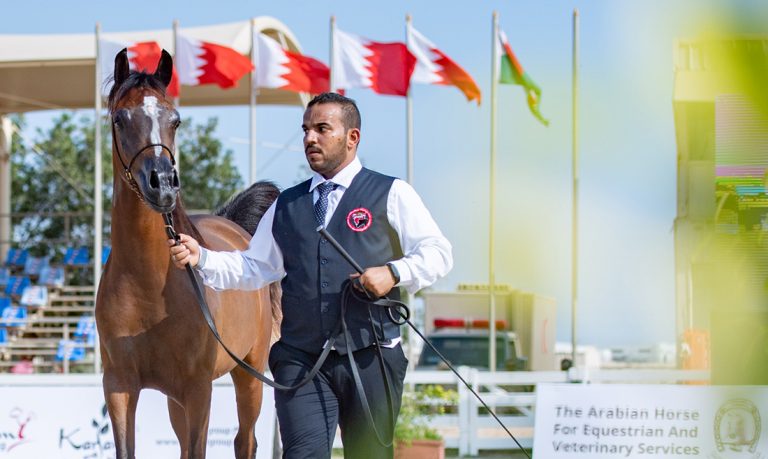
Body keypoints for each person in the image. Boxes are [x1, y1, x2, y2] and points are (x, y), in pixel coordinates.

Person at [168, 92, 452, 459]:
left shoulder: (392, 193)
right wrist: (202, 257)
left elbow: (438, 253)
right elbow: (255, 267)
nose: (309, 139)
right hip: (301, 361)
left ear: (353, 137)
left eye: (322, 129)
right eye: (305, 130)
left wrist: (395, 272)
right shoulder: (287, 204)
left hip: (371, 357)